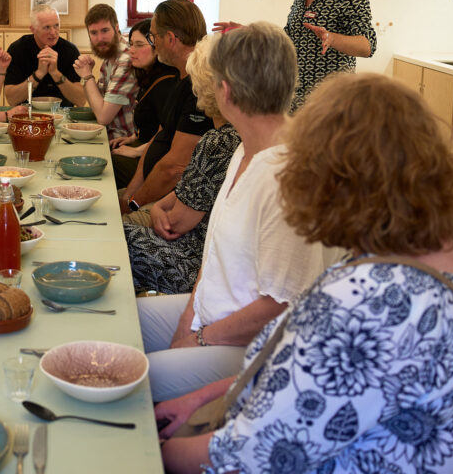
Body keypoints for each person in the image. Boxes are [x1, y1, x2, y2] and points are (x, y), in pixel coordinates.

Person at [157, 73, 453, 474]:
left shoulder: (361, 303)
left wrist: (150, 450)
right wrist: (201, 398)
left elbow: (250, 456)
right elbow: (303, 382)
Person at [136, 22, 328, 402]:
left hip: (255, 346)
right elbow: (214, 254)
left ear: (224, 91)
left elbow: (280, 305)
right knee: (116, 322)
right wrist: (188, 321)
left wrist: (198, 339)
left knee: (135, 380)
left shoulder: (289, 174)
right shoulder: (245, 148)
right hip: (213, 310)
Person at [124, 35, 240, 295]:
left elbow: (175, 224)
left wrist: (158, 212)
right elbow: (186, 191)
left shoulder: (218, 142)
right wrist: (159, 208)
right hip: (214, 259)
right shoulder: (239, 133)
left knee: (115, 238)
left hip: (194, 262)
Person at [214, 0, 376, 109]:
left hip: (332, 108)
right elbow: (287, 40)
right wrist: (249, 33)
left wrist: (331, 38)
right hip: (295, 105)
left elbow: (367, 46)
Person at [121, 0, 212, 220]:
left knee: (107, 230)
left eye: (153, 37)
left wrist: (133, 203)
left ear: (170, 39)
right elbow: (159, 138)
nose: (153, 43)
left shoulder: (199, 88)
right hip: (147, 195)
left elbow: (175, 168)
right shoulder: (180, 78)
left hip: (169, 204)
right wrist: (131, 193)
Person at [110, 18, 179, 189]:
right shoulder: (149, 77)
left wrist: (135, 151)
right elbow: (152, 122)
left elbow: (169, 135)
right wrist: (133, 138)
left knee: (107, 164)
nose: (131, 50)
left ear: (157, 48)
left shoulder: (167, 83)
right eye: (131, 44)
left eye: (139, 45)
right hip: (145, 147)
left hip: (156, 158)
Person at [73, 3, 137, 139]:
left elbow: (103, 117)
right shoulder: (109, 57)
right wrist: (87, 75)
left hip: (122, 141)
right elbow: (96, 106)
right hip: (107, 136)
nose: (100, 39)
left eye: (105, 30)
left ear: (117, 28)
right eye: (94, 33)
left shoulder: (127, 59)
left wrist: (87, 76)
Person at [4, 5, 86, 107]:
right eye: (47, 27)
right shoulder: (18, 49)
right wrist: (39, 73)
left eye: (56, 26)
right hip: (26, 113)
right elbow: (12, 99)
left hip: (63, 113)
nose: (53, 32)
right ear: (33, 29)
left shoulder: (70, 51)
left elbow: (80, 100)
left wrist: (55, 73)